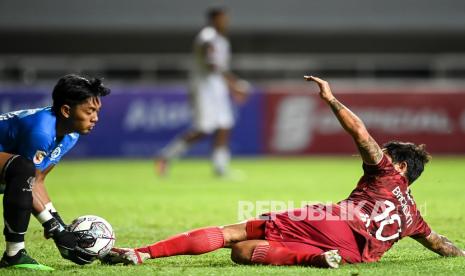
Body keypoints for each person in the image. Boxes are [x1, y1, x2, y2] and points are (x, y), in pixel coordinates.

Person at [102, 76, 464, 268]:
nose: (380, 153)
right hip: (356, 253)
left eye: (388, 153)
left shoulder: (386, 173)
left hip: (332, 221)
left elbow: (361, 134)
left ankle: (143, 253)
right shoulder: (414, 216)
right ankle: (317, 258)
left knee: (233, 232)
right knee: (243, 252)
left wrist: (331, 100)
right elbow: (440, 245)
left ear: (399, 166)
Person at [0, 74, 110, 270]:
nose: (96, 118)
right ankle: (15, 255)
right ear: (66, 110)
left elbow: (37, 180)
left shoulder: (70, 134)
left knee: (23, 171)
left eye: (97, 110)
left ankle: (14, 255)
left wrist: (59, 223)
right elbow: (27, 177)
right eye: (90, 111)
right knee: (21, 168)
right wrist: (56, 230)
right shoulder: (40, 132)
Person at [156, 7, 249, 177]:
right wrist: (234, 84)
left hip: (217, 87)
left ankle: (220, 168)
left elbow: (218, 66)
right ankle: (165, 156)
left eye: (226, 19)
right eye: (222, 19)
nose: (225, 22)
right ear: (213, 20)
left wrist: (230, 84)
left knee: (224, 125)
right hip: (204, 89)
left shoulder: (221, 40)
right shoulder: (208, 36)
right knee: (204, 129)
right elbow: (211, 63)